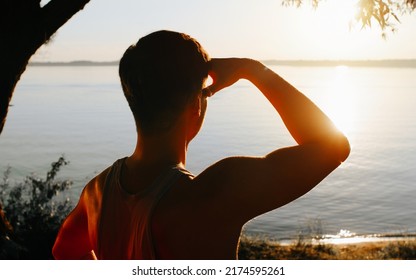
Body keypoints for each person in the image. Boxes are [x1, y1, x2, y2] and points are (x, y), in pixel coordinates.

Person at [52, 30, 350, 260]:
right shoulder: (215, 193)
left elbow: (64, 251)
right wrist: (254, 70)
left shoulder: (97, 192)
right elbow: (333, 147)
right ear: (197, 103)